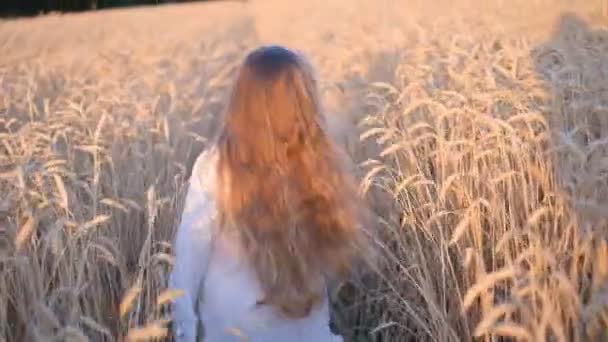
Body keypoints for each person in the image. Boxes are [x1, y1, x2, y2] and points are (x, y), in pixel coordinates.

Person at [169, 45, 372, 342]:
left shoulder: (215, 167)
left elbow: (190, 255)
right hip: (303, 326)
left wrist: (183, 331)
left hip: (231, 329)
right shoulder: (316, 166)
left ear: (242, 103)